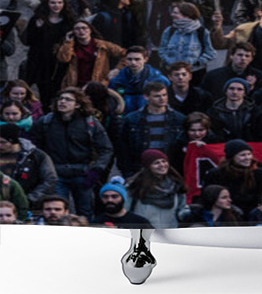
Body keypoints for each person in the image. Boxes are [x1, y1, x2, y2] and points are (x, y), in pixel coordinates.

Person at [28, 87, 114, 218]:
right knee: (57, 211)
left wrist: (96, 170)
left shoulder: (90, 122)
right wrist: (42, 169)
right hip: (56, 173)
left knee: (85, 212)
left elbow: (106, 148)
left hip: (82, 173)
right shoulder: (46, 122)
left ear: (77, 104)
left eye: (68, 100)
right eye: (60, 99)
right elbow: (35, 147)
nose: (62, 102)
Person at [117, 81, 186, 177]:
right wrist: (128, 173)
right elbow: (123, 149)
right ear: (146, 97)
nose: (162, 99)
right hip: (141, 169)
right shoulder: (132, 119)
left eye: (164, 95)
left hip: (170, 169)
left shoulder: (178, 119)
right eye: (157, 96)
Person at [0, 122, 58, 213]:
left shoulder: (35, 156)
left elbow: (50, 179)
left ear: (14, 141)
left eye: (3, 142)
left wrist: (30, 199)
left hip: (30, 205)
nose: (0, 146)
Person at [202, 139, 262, 216]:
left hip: (254, 213)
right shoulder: (216, 174)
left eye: (249, 154)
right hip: (226, 213)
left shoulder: (260, 173)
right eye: (243, 155)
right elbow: (209, 196)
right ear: (232, 157)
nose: (247, 157)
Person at [125, 149, 188, 228]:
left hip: (169, 232)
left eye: (164, 161)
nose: (162, 165)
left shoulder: (177, 185)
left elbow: (181, 209)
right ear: (148, 166)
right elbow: (126, 211)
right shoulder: (136, 186)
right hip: (144, 232)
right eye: (156, 163)